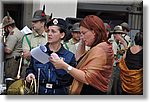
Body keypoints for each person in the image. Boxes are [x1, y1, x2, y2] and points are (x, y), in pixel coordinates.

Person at [49, 15, 114, 95]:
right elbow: (79, 59)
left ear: (93, 31)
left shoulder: (100, 50)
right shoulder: (96, 47)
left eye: (83, 33)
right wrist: (83, 40)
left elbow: (87, 78)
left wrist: (64, 66)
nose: (81, 36)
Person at [25, 18, 77, 95]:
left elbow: (69, 80)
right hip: (39, 92)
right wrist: (30, 75)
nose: (49, 34)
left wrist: (61, 65)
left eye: (53, 31)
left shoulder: (69, 56)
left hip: (59, 93)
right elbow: (31, 68)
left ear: (62, 35)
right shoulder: (38, 52)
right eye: (48, 31)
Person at [22, 8, 48, 78]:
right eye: (33, 21)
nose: (33, 23)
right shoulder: (27, 37)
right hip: (29, 70)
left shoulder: (49, 37)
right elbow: (26, 56)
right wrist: (44, 55)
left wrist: (32, 53)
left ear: (42, 23)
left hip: (45, 71)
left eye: (35, 22)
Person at [2, 12, 23, 80]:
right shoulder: (19, 32)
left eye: (5, 28)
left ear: (9, 27)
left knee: (9, 79)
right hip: (16, 60)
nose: (5, 30)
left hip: (12, 62)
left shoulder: (13, 34)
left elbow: (8, 50)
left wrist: (1, 47)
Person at [108, 25, 129, 95]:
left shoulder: (120, 42)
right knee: (111, 85)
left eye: (120, 33)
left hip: (118, 66)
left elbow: (126, 52)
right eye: (118, 33)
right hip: (112, 66)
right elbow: (112, 57)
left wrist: (124, 44)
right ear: (114, 34)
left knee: (117, 84)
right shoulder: (111, 42)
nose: (120, 35)